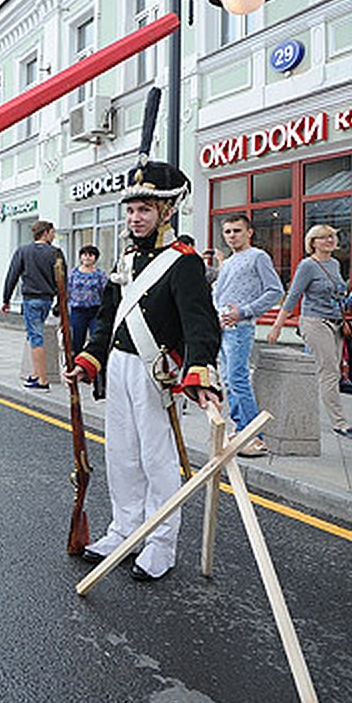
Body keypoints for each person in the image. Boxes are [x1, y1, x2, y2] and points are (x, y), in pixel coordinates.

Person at [65, 157, 222, 581]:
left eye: (145, 210)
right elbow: (107, 315)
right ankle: (124, 528)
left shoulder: (183, 261)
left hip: (156, 372)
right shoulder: (127, 258)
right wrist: (88, 359)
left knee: (157, 460)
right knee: (120, 454)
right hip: (117, 367)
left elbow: (200, 322)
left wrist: (201, 372)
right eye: (131, 210)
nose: (135, 218)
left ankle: (160, 543)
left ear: (166, 212)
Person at [266, 225, 352, 440]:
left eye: (332, 236)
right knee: (329, 371)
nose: (329, 240)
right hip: (314, 322)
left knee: (330, 372)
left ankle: (291, 406)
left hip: (337, 324)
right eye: (323, 238)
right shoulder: (307, 266)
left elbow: (336, 300)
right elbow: (293, 297)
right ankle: (339, 423)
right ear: (313, 242)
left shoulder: (335, 264)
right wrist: (277, 326)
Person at [211, 214, 284, 457]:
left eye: (237, 230)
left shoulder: (258, 256)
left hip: (240, 328)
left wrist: (244, 312)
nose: (232, 235)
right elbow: (219, 295)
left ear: (249, 232)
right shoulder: (229, 262)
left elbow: (275, 291)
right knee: (229, 380)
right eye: (228, 231)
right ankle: (241, 428)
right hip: (223, 327)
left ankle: (255, 437)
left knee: (238, 379)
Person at [1, 221, 61, 389]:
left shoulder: (23, 251)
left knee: (35, 337)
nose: (54, 236)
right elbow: (62, 280)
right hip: (47, 300)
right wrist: (60, 302)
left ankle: (42, 380)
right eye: (52, 232)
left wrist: (6, 299)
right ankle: (35, 373)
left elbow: (12, 276)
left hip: (31, 299)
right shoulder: (55, 253)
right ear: (46, 233)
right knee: (35, 334)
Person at [67, 245, 107, 356]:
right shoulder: (73, 273)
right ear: (80, 257)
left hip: (95, 310)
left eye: (91, 255)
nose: (87, 257)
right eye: (84, 255)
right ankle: (76, 362)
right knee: (77, 339)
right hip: (78, 310)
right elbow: (67, 290)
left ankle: (93, 362)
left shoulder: (100, 274)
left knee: (96, 338)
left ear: (95, 258)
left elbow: (105, 292)